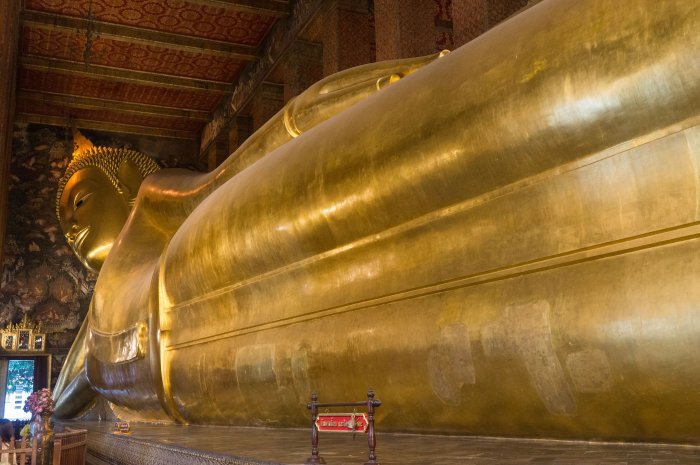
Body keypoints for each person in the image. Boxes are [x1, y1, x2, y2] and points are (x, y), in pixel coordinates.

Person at [53, 0, 700, 443]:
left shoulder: (151, 208)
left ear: (124, 180)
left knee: (409, 168)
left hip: (196, 270)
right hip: (208, 374)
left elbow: (226, 176)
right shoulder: (95, 324)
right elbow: (66, 390)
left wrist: (322, 110)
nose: (73, 228)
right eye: (61, 222)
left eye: (78, 202)